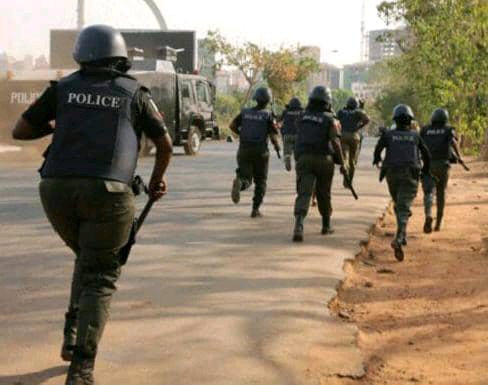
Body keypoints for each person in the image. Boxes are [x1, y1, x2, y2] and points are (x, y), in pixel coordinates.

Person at [12, 24, 173, 385]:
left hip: (55, 190)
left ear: (81, 54)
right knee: (100, 274)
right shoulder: (134, 93)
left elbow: (20, 131)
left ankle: (71, 336)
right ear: (120, 56)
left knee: (87, 258)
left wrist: (61, 123)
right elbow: (164, 144)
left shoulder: (64, 89)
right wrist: (156, 181)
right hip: (109, 195)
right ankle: (82, 368)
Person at [373, 104, 430, 261]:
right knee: (404, 208)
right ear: (410, 121)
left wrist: (377, 160)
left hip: (392, 174)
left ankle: (402, 235)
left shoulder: (388, 135)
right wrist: (426, 171)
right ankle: (398, 238)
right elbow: (427, 154)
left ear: (395, 119)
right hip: (410, 174)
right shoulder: (415, 136)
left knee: (399, 204)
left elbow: (378, 149)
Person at [292, 85, 346, 242]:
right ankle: (326, 225)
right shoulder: (330, 119)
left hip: (304, 159)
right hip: (324, 160)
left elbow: (299, 136)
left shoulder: (302, 116)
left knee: (304, 193)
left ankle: (299, 226)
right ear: (327, 102)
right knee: (323, 193)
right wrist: (342, 164)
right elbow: (335, 142)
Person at [229, 87, 281, 218]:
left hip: (244, 150)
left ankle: (240, 183)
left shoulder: (245, 112)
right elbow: (274, 135)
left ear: (255, 98)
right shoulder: (268, 115)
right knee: (261, 181)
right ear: (268, 100)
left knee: (245, 177)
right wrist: (277, 148)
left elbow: (232, 126)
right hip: (261, 152)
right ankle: (255, 209)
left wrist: (242, 135)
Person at [420, 108, 463, 232]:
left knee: (428, 192)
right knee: (440, 193)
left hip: (428, 166)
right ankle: (438, 222)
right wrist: (459, 157)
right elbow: (454, 143)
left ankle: (428, 214)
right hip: (443, 166)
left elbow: (418, 144)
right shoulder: (448, 130)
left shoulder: (425, 130)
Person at [337, 96, 370, 187]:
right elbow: (367, 119)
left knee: (345, 158)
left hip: (343, 136)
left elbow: (335, 120)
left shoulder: (341, 111)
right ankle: (348, 183)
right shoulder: (358, 112)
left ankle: (345, 169)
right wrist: (359, 126)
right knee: (353, 161)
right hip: (354, 137)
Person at [280, 96, 303, 171]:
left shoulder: (285, 111)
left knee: (287, 151)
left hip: (287, 134)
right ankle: (298, 164)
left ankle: (287, 157)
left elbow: (279, 119)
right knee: (298, 153)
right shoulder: (302, 112)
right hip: (299, 136)